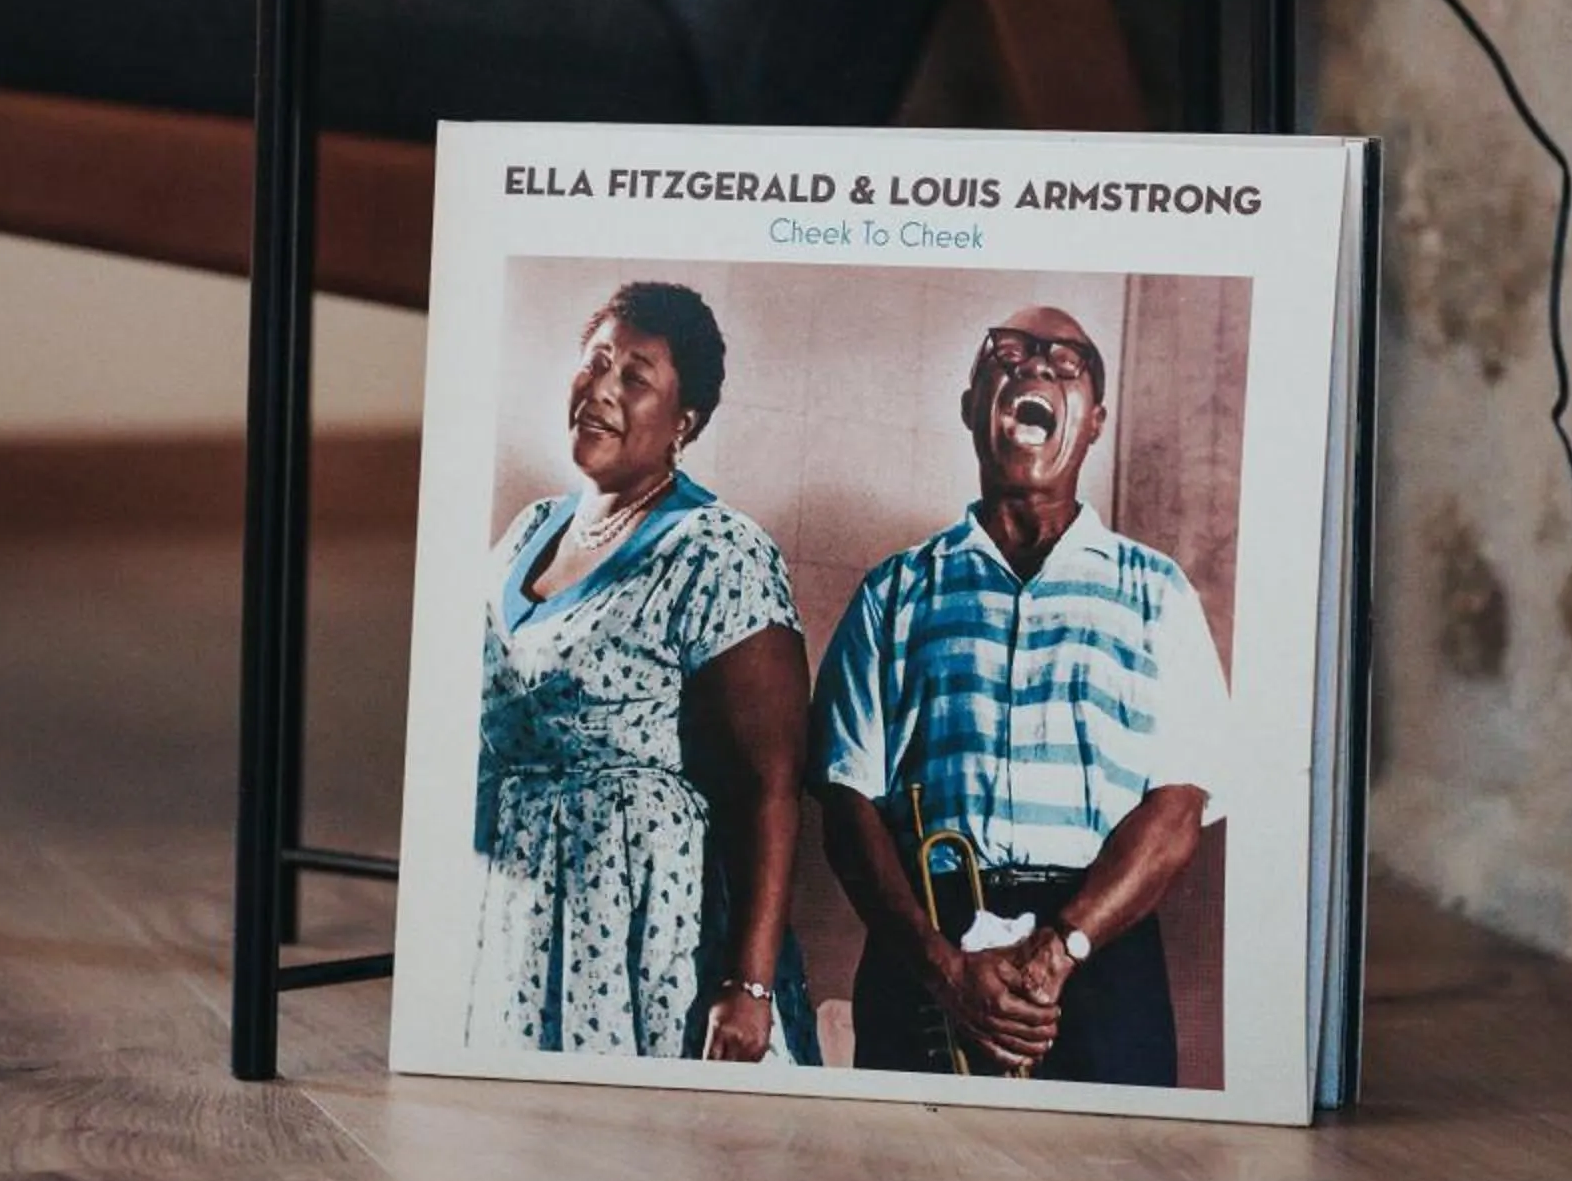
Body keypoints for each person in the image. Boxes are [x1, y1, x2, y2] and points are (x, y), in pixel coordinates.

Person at [811, 305, 1230, 1084]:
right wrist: (942, 967)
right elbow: (846, 805)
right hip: (924, 956)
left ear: (1095, 421)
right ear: (972, 404)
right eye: (1007, 356)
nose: (1036, 366)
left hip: (1101, 957)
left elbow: (1178, 810)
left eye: (1068, 364)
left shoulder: (1158, 592)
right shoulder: (892, 591)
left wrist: (1058, 950)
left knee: (1108, 1167)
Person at [470, 279, 818, 1063]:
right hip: (511, 911)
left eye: (635, 377)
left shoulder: (717, 550)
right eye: (596, 361)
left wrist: (750, 985)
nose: (602, 389)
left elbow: (771, 784)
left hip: (643, 934)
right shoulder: (531, 528)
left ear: (682, 421)